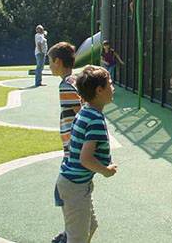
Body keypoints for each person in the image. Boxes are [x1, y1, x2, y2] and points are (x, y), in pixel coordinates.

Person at [56, 65, 117, 243]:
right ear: (99, 90)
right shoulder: (95, 119)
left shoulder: (86, 110)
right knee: (77, 238)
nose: (113, 88)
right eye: (110, 84)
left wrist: (92, 70)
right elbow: (86, 159)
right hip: (75, 187)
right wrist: (106, 170)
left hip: (75, 184)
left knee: (90, 226)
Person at [48, 42, 83, 243]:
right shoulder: (74, 79)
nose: (49, 66)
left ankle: (69, 233)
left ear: (59, 62)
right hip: (74, 148)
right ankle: (69, 231)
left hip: (74, 149)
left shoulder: (65, 86)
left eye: (50, 62)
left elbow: (81, 114)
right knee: (66, 191)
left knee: (63, 190)